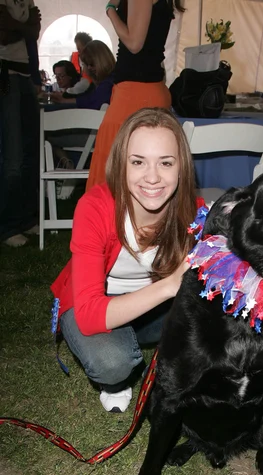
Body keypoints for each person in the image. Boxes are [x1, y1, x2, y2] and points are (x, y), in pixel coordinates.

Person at [51, 108, 205, 413]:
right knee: (112, 363)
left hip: (151, 309)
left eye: (165, 162)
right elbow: (90, 316)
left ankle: (131, 338)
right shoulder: (94, 207)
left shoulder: (194, 213)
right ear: (122, 165)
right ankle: (120, 370)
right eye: (138, 162)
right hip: (92, 303)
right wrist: (169, 286)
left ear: (181, 168)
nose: (152, 177)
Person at [85, 0, 185, 191]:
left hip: (135, 95)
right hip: (150, 90)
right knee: (148, 177)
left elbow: (134, 43)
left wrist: (110, 9)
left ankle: (103, 221)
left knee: (110, 175)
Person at [0, 0, 41, 247]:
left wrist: (19, 27)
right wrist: (24, 26)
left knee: (30, 151)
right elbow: (3, 35)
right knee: (11, 155)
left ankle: (25, 218)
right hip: (5, 75)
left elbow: (33, 32)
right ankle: (6, 226)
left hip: (25, 75)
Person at [51, 40, 115, 109]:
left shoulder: (108, 83)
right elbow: (86, 98)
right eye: (86, 64)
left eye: (91, 64)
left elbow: (92, 102)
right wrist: (64, 100)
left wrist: (64, 99)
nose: (89, 68)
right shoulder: (99, 83)